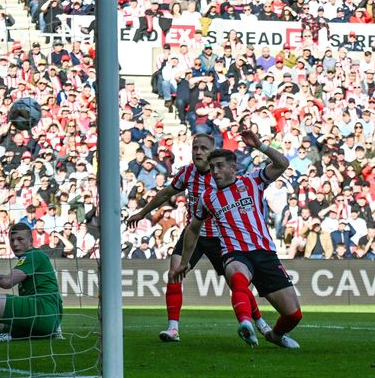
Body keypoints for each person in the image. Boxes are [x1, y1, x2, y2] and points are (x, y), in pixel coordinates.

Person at [125, 133, 269, 342]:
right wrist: (142, 213)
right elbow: (165, 193)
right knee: (174, 272)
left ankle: (259, 322)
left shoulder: (222, 176)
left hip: (220, 236)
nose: (198, 152)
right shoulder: (187, 172)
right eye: (195, 148)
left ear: (212, 152)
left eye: (203, 148)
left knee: (236, 283)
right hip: (194, 233)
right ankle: (173, 328)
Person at [175, 132, 302, 349]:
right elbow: (193, 229)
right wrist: (184, 262)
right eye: (212, 167)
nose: (215, 171)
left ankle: (275, 335)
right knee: (238, 278)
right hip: (234, 252)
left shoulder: (252, 181)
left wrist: (260, 145)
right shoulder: (207, 197)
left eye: (220, 166)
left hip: (264, 253)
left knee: (293, 315)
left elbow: (282, 164)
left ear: (233, 168)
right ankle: (245, 324)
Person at [0, 222, 62, 342]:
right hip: (49, 320)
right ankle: (8, 335)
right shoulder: (35, 257)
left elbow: (7, 282)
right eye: (12, 240)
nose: (15, 244)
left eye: (20, 239)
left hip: (42, 310)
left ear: (31, 241)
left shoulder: (33, 255)